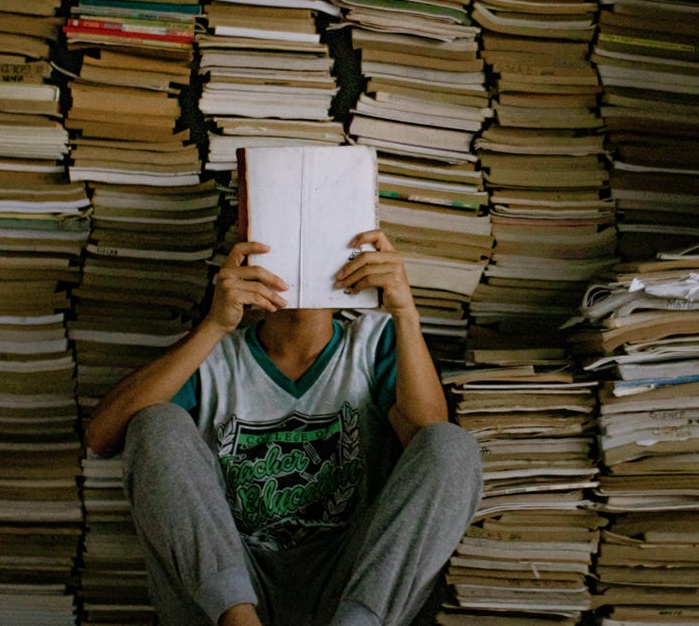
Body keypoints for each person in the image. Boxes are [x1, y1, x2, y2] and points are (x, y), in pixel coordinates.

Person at [86, 229, 483, 626]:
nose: (304, 262)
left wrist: (405, 313)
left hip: (349, 587)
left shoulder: (373, 344)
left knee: (452, 443)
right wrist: (213, 325)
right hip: (226, 593)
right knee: (156, 422)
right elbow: (103, 438)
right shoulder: (212, 358)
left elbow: (432, 454)